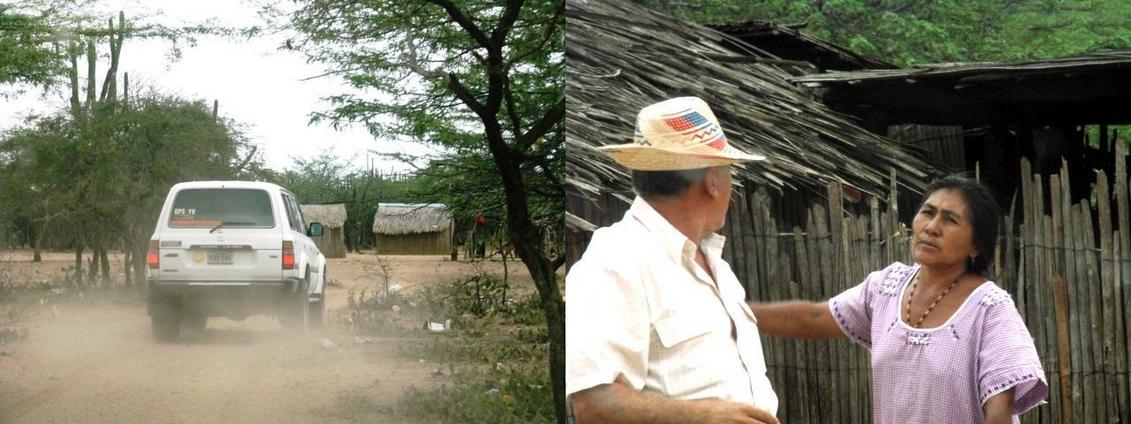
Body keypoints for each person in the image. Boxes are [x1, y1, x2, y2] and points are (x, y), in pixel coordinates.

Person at [751, 176, 1047, 424]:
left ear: (976, 246)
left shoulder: (990, 308)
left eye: (950, 219)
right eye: (928, 212)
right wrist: (733, 311)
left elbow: (999, 405)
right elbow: (815, 318)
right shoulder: (887, 287)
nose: (931, 227)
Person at [566, 97, 780, 424]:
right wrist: (704, 416)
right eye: (729, 173)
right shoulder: (617, 260)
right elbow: (593, 404)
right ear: (712, 181)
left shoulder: (714, 266)